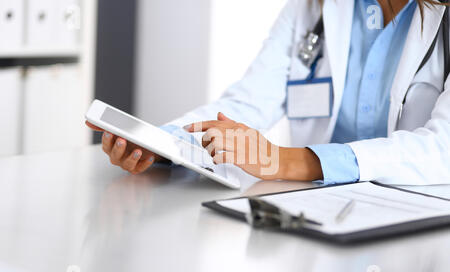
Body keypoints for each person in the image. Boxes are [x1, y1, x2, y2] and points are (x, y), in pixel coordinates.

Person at [87, 0, 450, 185]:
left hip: (419, 226)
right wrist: (165, 144)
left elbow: (441, 150)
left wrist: (286, 161)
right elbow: (247, 103)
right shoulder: (315, 7)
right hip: (324, 222)